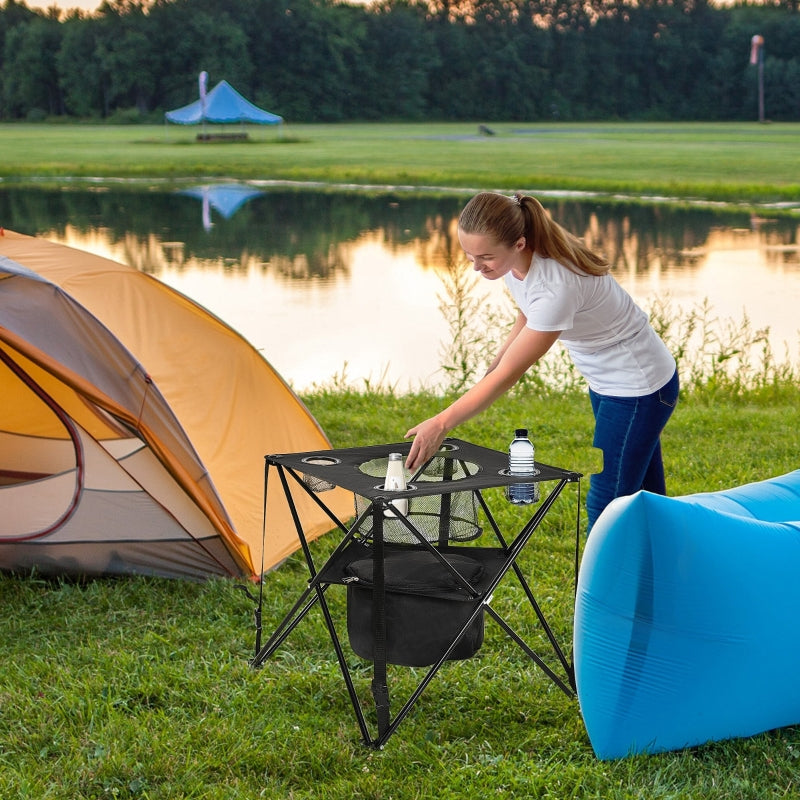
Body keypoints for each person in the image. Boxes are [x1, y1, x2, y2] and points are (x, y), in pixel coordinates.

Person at [405, 191, 679, 531]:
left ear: (518, 243)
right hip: (610, 383)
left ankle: (598, 585)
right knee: (646, 496)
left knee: (607, 501)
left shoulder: (555, 285)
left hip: (639, 388)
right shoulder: (516, 262)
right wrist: (496, 362)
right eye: (469, 255)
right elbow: (526, 313)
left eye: (485, 257)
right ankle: (663, 574)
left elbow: (510, 375)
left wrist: (441, 423)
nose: (476, 267)